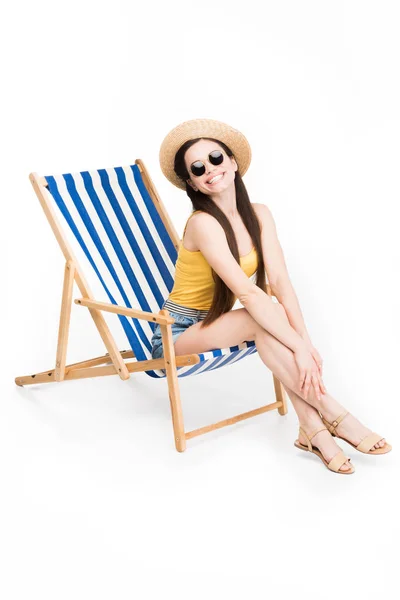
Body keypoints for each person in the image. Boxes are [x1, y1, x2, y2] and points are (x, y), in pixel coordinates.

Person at [152, 118, 391, 474]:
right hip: (174, 333)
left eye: (216, 158)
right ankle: (336, 415)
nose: (210, 170)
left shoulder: (259, 214)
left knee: (269, 317)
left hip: (213, 323)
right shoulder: (203, 224)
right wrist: (298, 347)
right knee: (258, 317)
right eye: (198, 168)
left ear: (232, 161)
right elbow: (247, 292)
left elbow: (279, 281)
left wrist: (306, 346)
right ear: (192, 183)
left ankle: (313, 431)